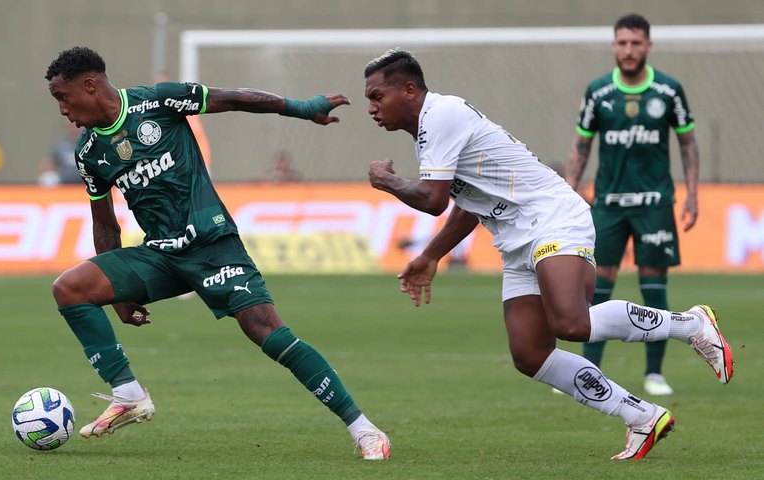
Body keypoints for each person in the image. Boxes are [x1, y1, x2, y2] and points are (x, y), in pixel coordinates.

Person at [363, 48, 731, 460]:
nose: (372, 109)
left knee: (571, 323)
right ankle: (641, 416)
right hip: (518, 240)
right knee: (530, 353)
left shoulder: (441, 114)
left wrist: (389, 181)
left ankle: (690, 324)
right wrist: (432, 255)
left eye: (377, 97)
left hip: (553, 218)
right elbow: (468, 202)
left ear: (409, 90)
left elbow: (433, 200)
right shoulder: (429, 131)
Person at [45, 46, 390, 460]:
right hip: (160, 255)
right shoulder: (88, 154)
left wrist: (302, 107)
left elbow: (234, 98)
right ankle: (128, 393)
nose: (63, 110)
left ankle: (364, 429)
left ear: (90, 84)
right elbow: (104, 223)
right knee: (69, 288)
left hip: (211, 243)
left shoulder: (157, 101)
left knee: (266, 331)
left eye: (63, 97)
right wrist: (120, 295)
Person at [565, 14, 700, 396]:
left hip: (655, 202)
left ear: (648, 46)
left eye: (635, 43)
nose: (628, 50)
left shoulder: (669, 91)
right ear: (614, 45)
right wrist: (570, 190)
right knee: (597, 287)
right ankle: (588, 370)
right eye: (622, 43)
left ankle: (654, 374)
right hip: (608, 203)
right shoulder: (598, 92)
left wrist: (691, 194)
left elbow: (687, 143)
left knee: (653, 288)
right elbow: (582, 145)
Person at [38, 117, 85, 186]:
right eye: (70, 124)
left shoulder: (89, 143)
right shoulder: (61, 144)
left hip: (85, 183)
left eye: (75, 125)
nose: (73, 127)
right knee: (47, 178)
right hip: (64, 184)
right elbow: (48, 162)